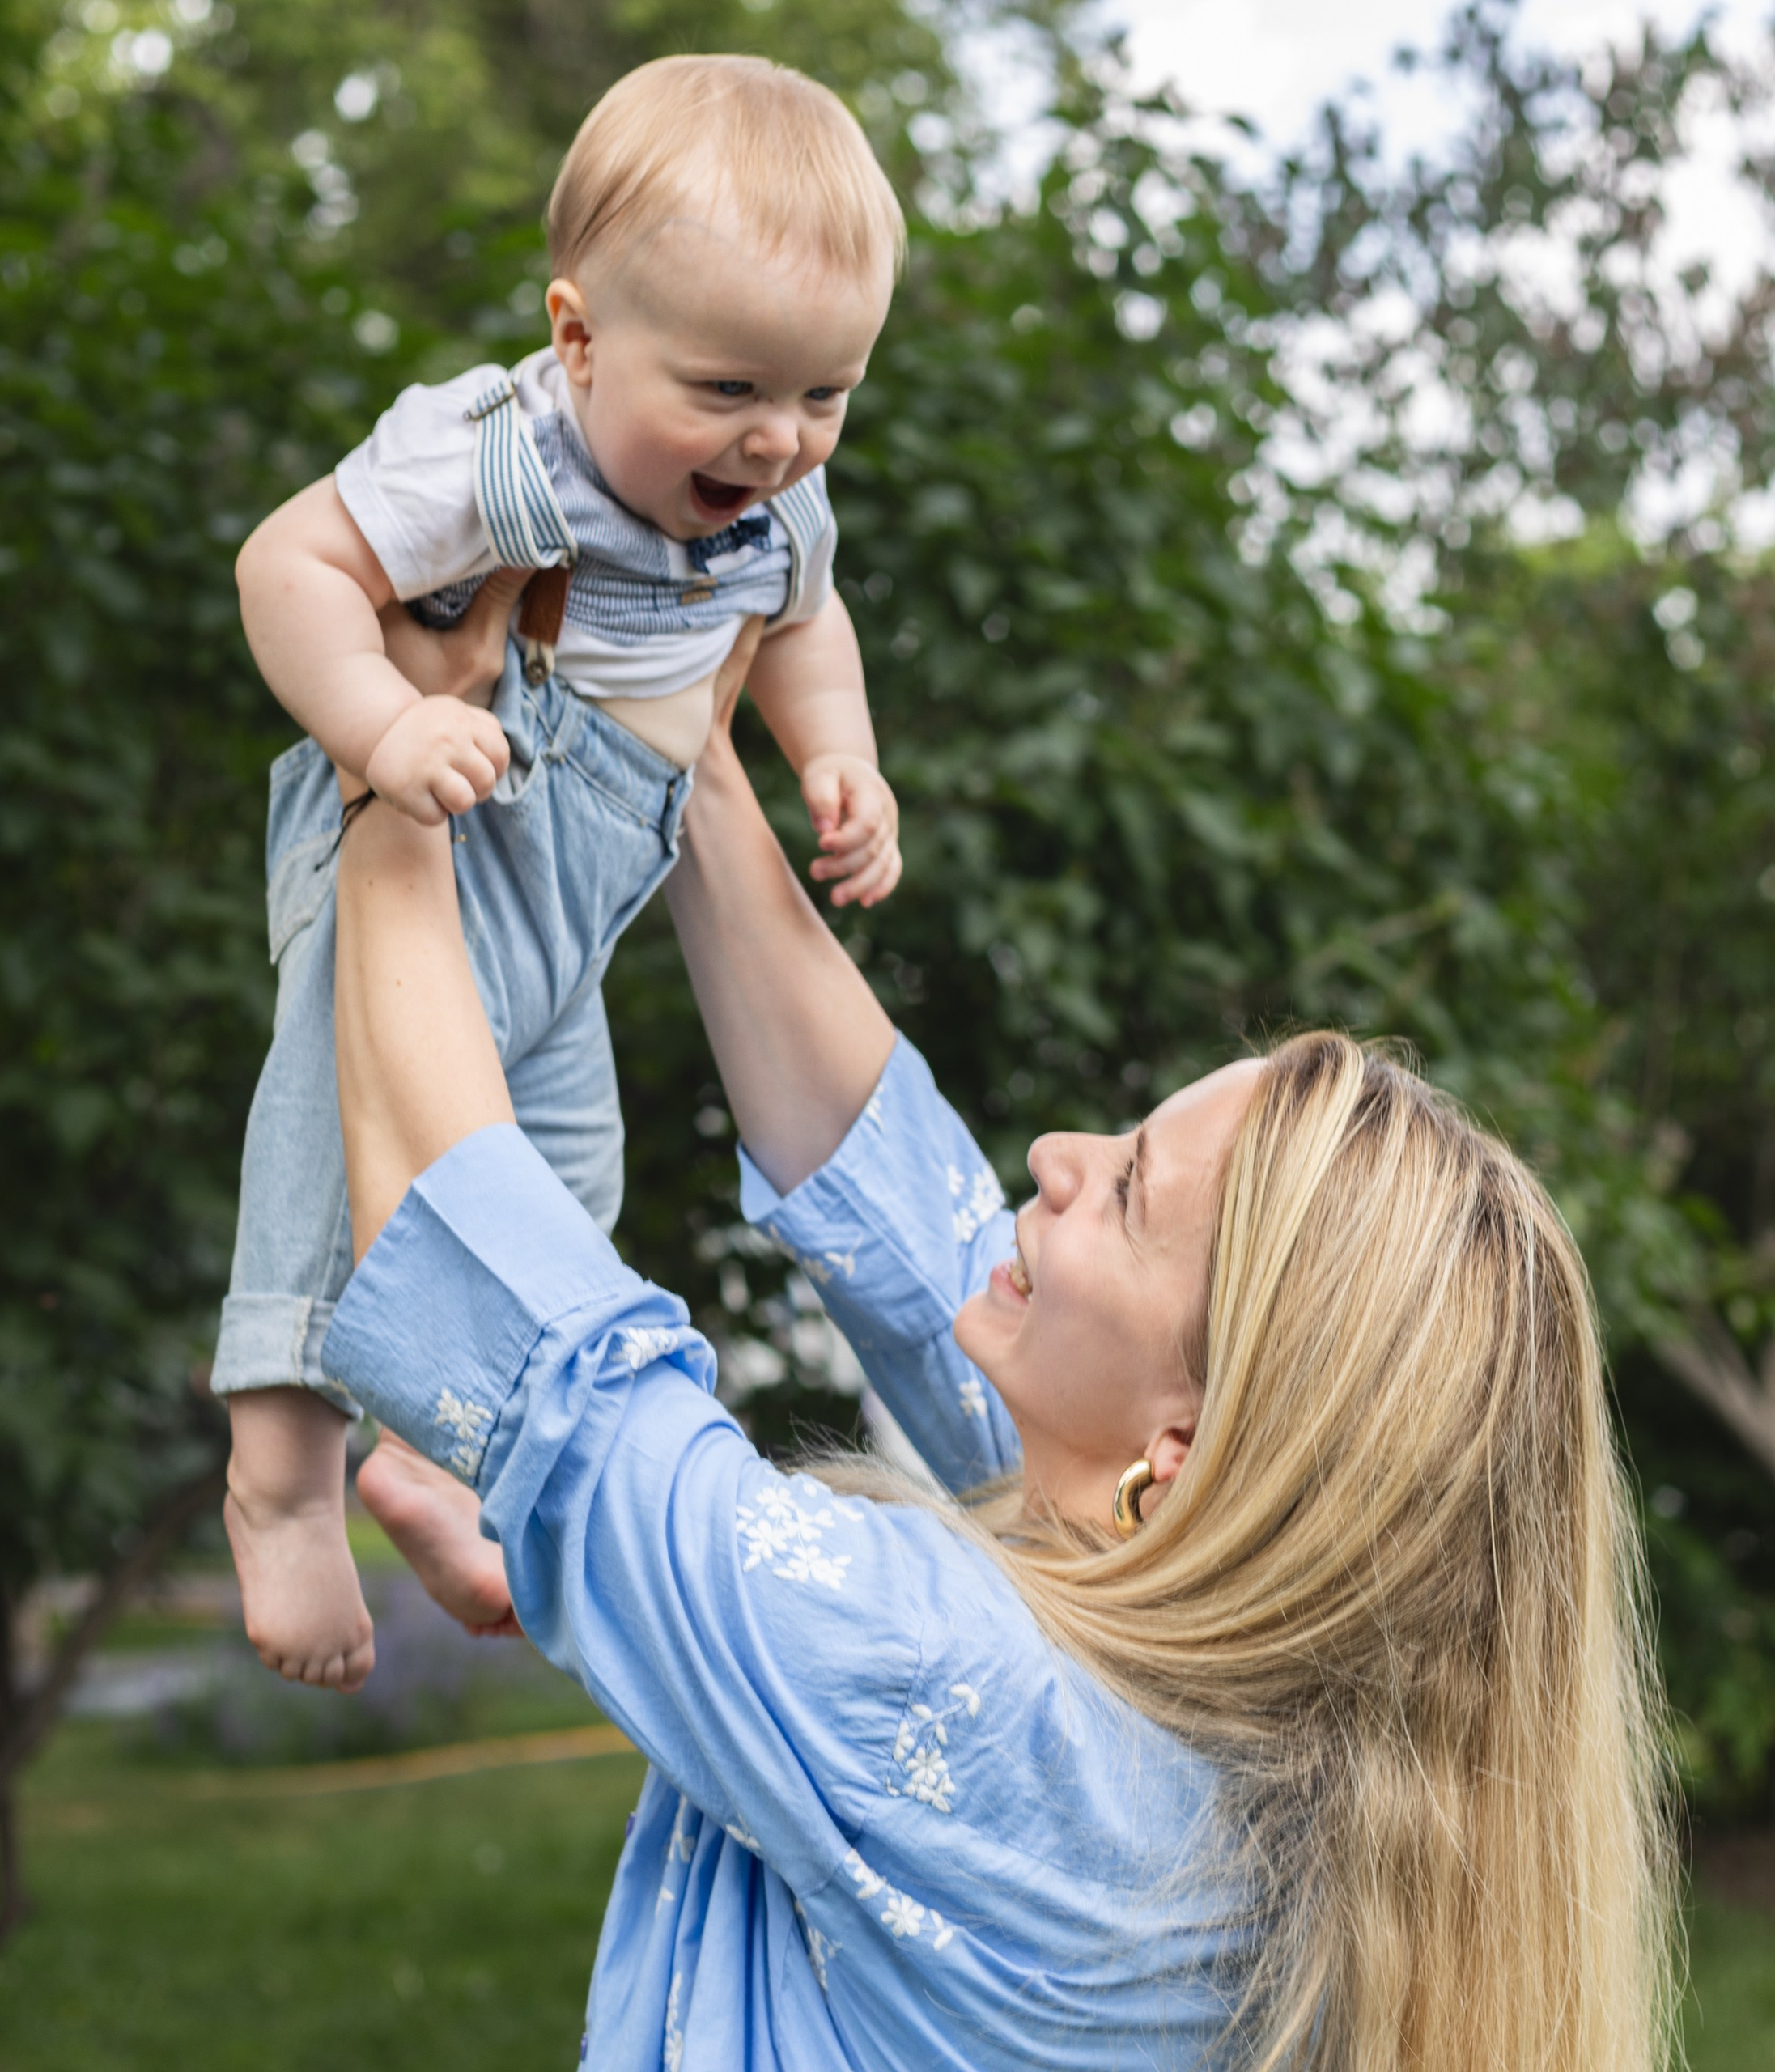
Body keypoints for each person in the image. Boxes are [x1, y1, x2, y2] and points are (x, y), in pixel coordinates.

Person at [313, 618, 1678, 2071]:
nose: (1054, 1156)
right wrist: (691, 746)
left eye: (1131, 1189)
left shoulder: (948, 1680)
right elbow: (912, 1220)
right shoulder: (1283, 1746)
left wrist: (390, 753)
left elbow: (516, 1320)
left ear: (1187, 1450)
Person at [214, 55, 907, 1689]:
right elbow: (288, 561)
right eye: (731, 389)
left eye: (825, 395)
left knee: (558, 1203)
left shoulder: (772, 507)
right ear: (579, 336)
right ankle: (281, 1478)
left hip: (577, 905)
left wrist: (839, 756)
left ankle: (430, 1459)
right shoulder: (497, 450)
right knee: (332, 1150)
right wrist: (385, 726)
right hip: (447, 823)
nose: (777, 441)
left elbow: (806, 619)